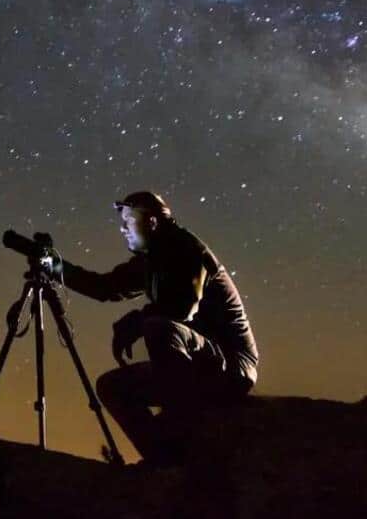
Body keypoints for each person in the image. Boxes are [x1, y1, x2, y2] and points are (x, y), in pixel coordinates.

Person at [54, 190, 259, 462]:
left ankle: (183, 433)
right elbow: (105, 287)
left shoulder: (187, 249)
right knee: (111, 387)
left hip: (231, 364)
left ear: (151, 222)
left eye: (128, 221)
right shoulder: (151, 259)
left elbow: (182, 309)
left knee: (159, 327)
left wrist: (138, 321)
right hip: (194, 362)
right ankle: (164, 458)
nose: (122, 229)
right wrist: (55, 267)